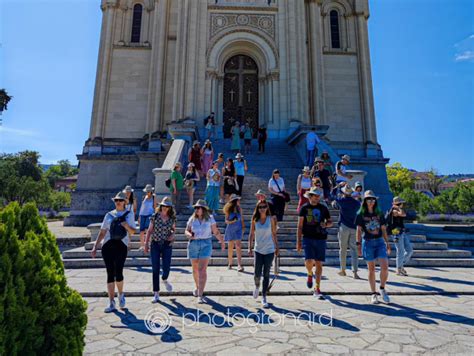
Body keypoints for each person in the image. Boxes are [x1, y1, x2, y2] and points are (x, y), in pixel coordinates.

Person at [91, 191, 136, 312]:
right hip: (108, 245)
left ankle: (121, 294)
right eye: (116, 200)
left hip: (121, 245)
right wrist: (95, 246)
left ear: (125, 202)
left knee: (119, 271)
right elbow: (103, 231)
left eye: (120, 200)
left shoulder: (129, 214)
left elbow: (132, 232)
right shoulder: (109, 215)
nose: (118, 202)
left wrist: (126, 225)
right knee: (110, 273)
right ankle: (111, 302)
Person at [185, 200, 225, 303]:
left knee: (202, 269)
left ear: (203, 209)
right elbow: (187, 230)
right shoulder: (192, 219)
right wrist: (189, 235)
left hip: (206, 243)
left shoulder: (210, 218)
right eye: (196, 208)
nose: (197, 209)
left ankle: (200, 294)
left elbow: (215, 231)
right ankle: (198, 287)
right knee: (195, 269)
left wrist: (222, 241)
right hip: (193, 244)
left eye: (199, 208)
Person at [356, 190, 391, 304]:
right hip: (368, 242)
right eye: (368, 199)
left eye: (372, 199)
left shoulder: (379, 213)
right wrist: (358, 245)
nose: (371, 201)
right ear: (365, 201)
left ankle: (382, 288)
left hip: (380, 242)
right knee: (371, 269)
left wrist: (387, 243)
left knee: (385, 267)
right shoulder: (360, 214)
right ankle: (373, 293)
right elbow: (359, 230)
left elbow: (383, 229)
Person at [297, 188, 332, 300]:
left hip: (320, 237)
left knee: (319, 264)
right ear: (310, 196)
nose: (317, 197)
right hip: (307, 237)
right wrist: (298, 241)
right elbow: (300, 225)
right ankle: (309, 273)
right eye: (315, 195)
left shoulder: (323, 208)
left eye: (318, 195)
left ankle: (317, 288)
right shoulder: (304, 208)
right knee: (308, 261)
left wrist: (326, 225)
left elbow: (330, 222)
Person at [144, 197, 176, 303]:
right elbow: (149, 231)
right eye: (164, 206)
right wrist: (146, 244)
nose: (165, 208)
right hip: (155, 244)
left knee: (166, 267)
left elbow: (173, 230)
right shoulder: (155, 216)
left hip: (167, 244)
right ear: (161, 206)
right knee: (155, 268)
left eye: (168, 206)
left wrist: (172, 236)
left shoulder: (172, 218)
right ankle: (156, 293)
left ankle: (165, 279)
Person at [248, 200, 279, 308]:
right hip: (258, 249)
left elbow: (274, 233)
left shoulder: (271, 219)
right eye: (260, 207)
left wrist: (277, 246)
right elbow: (251, 234)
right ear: (257, 208)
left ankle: (264, 296)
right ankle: (257, 286)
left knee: (266, 273)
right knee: (257, 272)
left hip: (269, 249)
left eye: (264, 206)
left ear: (267, 208)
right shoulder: (254, 219)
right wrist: (249, 247)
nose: (262, 208)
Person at [333, 185, 361, 279]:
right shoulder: (357, 203)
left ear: (344, 192)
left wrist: (337, 187)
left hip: (344, 226)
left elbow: (332, 195)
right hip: (354, 227)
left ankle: (343, 270)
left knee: (343, 249)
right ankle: (355, 272)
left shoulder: (342, 201)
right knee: (354, 250)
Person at [387, 197, 412, 276]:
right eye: (401, 203)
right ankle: (398, 269)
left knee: (409, 250)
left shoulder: (397, 209)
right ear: (399, 204)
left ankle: (400, 265)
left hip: (401, 232)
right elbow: (403, 214)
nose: (403, 205)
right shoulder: (394, 211)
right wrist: (397, 207)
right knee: (400, 251)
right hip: (396, 233)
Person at [224, 194, 245, 271]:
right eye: (238, 200)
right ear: (235, 201)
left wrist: (243, 227)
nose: (239, 201)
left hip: (238, 229)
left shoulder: (239, 209)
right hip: (230, 229)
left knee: (238, 246)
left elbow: (242, 218)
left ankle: (239, 265)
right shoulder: (228, 210)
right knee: (230, 246)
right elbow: (226, 221)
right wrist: (232, 221)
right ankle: (230, 263)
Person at [139, 184, 157, 250]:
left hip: (150, 215)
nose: (147, 192)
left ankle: (148, 244)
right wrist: (139, 216)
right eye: (147, 191)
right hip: (143, 214)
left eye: (149, 191)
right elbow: (142, 207)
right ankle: (142, 245)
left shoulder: (153, 197)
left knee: (147, 229)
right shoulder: (144, 197)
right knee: (141, 230)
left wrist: (155, 216)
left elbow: (155, 207)